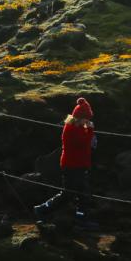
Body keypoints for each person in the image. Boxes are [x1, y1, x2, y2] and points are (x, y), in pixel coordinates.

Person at [35, 97, 97, 226]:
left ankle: (80, 217)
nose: (88, 121)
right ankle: (43, 209)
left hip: (78, 165)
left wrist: (88, 131)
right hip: (72, 165)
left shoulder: (78, 128)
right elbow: (82, 143)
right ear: (79, 118)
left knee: (77, 193)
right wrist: (90, 131)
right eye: (87, 118)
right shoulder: (71, 129)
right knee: (73, 193)